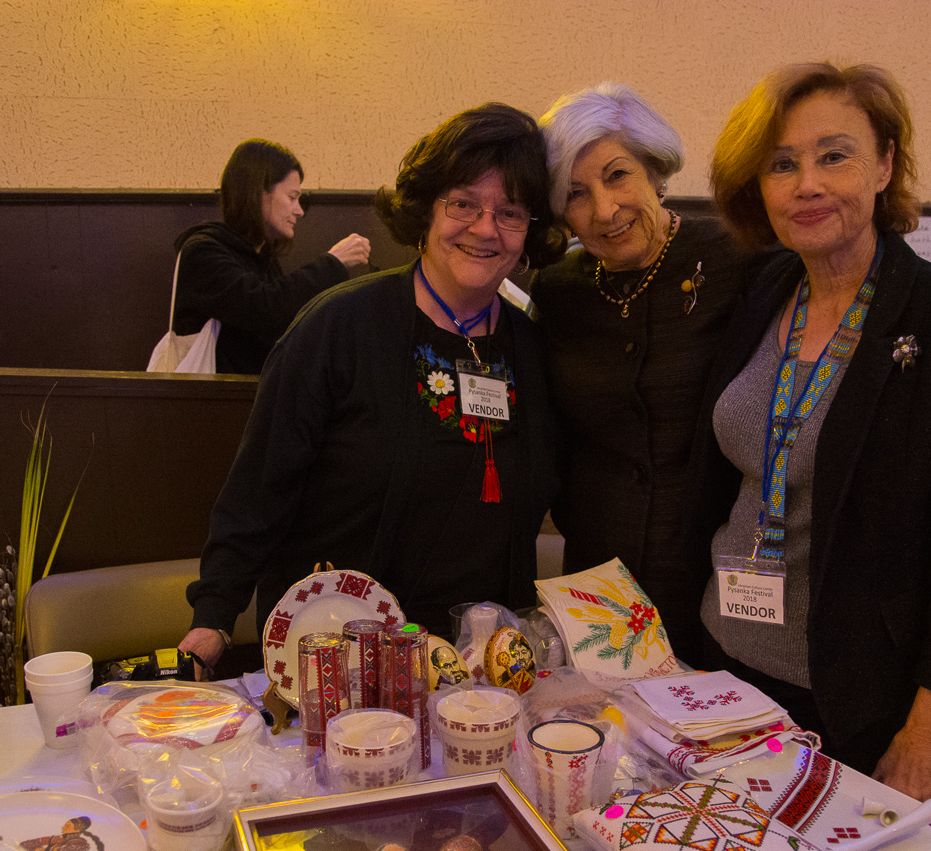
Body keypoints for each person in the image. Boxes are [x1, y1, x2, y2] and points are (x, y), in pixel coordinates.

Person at [700, 63, 931, 814]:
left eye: (834, 156)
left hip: (855, 692)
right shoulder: (763, 291)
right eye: (782, 164)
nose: (807, 184)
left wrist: (930, 730)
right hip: (725, 664)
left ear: (884, 165)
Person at [179, 104, 563, 678]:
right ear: (426, 209)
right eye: (463, 203)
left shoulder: (531, 349)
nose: (486, 229)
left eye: (509, 212)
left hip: (481, 674)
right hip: (343, 667)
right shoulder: (339, 326)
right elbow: (260, 487)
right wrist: (212, 618)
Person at [531, 83, 755, 663]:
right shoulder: (558, 291)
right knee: (604, 714)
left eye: (618, 175)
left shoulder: (738, 259)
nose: (604, 210)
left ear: (655, 170)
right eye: (576, 194)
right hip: (597, 578)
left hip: (716, 573)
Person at [170, 139, 371, 373]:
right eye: (292, 197)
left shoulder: (261, 254)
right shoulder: (202, 252)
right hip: (210, 393)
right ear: (258, 193)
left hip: (247, 391)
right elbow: (264, 310)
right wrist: (332, 262)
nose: (299, 211)